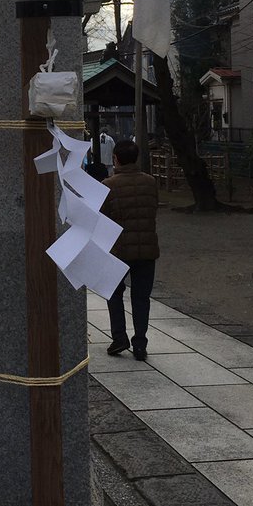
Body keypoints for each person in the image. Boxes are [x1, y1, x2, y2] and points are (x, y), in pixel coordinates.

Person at [100, 139, 159, 360]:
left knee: (114, 293)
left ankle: (119, 337)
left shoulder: (108, 185)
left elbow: (102, 217)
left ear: (115, 159)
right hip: (147, 248)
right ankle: (140, 343)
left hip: (119, 249)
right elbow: (152, 209)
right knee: (141, 297)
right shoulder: (151, 182)